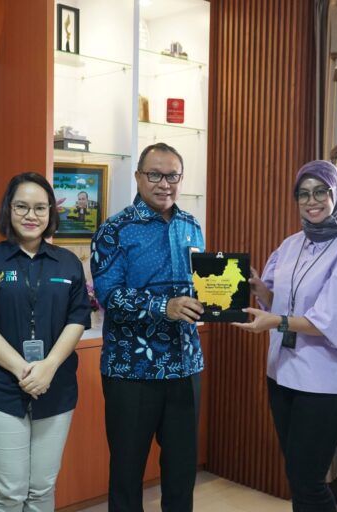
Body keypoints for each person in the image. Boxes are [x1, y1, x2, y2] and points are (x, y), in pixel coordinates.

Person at [233, 160, 337, 512]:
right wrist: (259, 288)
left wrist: (276, 321)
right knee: (297, 476)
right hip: (283, 374)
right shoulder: (291, 244)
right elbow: (280, 302)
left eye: (321, 192)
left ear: (336, 194)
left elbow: (334, 322)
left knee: (308, 480)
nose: (312, 201)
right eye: (304, 194)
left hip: (325, 380)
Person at [91, 142, 205, 511]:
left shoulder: (191, 226)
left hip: (185, 366)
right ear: (139, 177)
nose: (164, 184)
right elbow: (109, 295)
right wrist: (163, 307)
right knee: (127, 474)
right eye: (155, 174)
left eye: (172, 175)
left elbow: (201, 287)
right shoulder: (115, 230)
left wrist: (224, 296)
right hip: (132, 370)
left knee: (182, 473)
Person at [0, 172, 91, 511]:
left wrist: (48, 367)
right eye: (21, 206)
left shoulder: (67, 262)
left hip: (55, 387)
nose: (31, 215)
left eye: (40, 207)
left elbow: (77, 318)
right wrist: (23, 370)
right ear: (8, 210)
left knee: (41, 488)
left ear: (51, 212)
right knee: (8, 492)